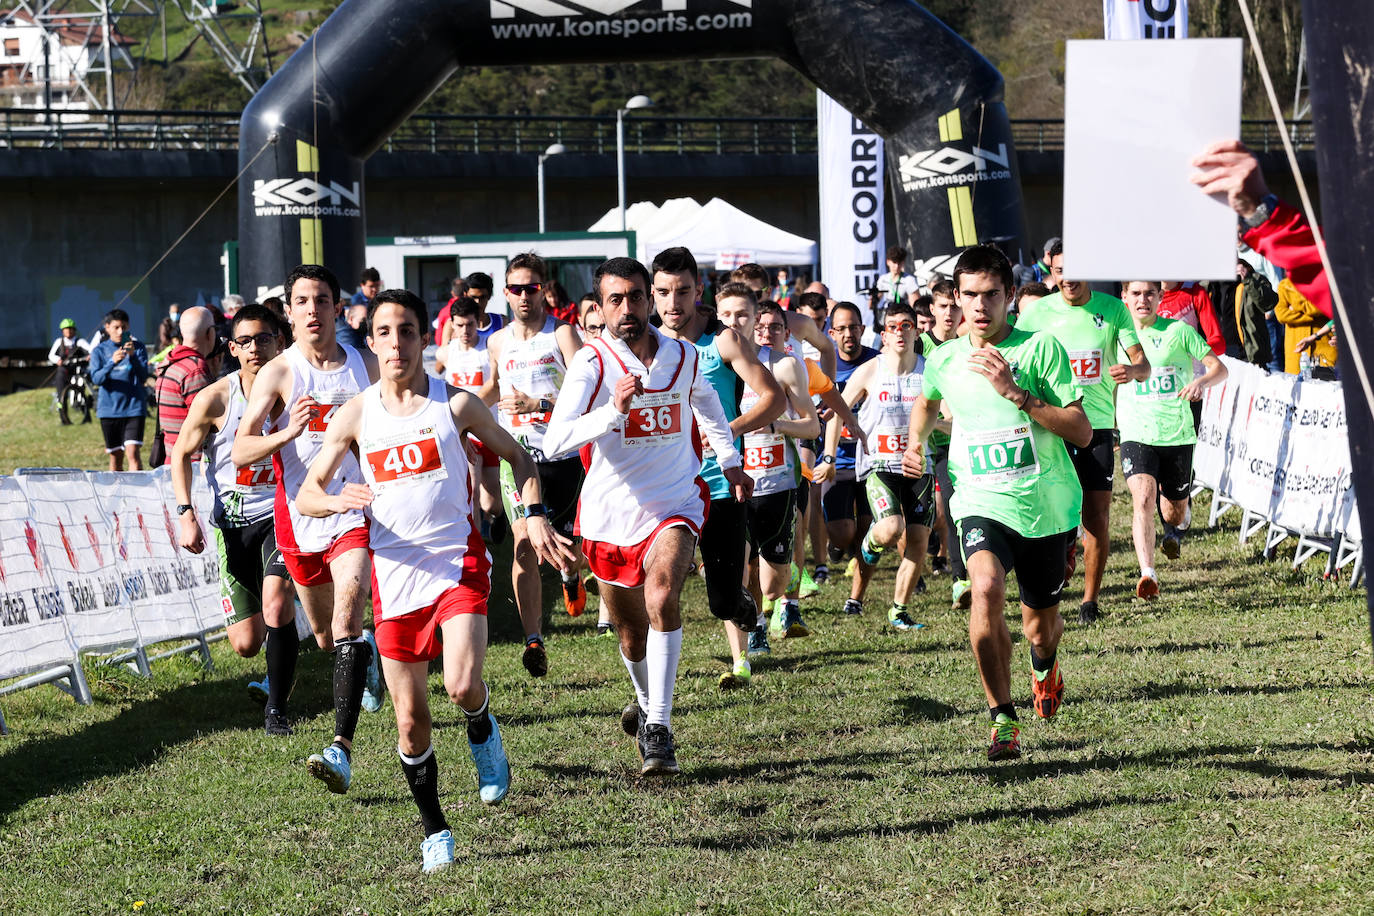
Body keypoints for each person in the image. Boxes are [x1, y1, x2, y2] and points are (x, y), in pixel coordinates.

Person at [297, 288, 575, 872]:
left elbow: (518, 457)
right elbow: (307, 492)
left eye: (407, 332)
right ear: (370, 342)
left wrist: (535, 513)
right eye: (384, 333)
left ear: (426, 340)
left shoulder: (456, 405)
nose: (395, 344)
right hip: (395, 577)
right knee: (408, 718)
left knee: (461, 684)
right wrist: (336, 498)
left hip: (456, 562)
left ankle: (481, 725)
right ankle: (435, 831)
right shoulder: (356, 414)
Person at [544, 257, 750, 775]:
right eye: (616, 300)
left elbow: (707, 407)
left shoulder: (682, 356)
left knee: (662, 595)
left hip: (675, 501)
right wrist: (612, 411)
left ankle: (658, 727)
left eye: (636, 296)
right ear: (600, 306)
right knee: (631, 635)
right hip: (610, 516)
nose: (628, 308)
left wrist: (729, 462)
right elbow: (554, 441)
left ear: (650, 298)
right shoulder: (592, 364)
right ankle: (644, 699)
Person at [901, 244, 1091, 761]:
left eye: (990, 295)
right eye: (970, 296)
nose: (980, 307)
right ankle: (1002, 717)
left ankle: (1043, 663)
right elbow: (926, 403)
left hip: (1047, 507)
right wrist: (916, 445)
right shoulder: (942, 358)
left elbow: (1082, 430)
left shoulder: (1040, 348)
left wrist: (1018, 395)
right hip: (980, 500)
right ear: (956, 299)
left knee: (1040, 627)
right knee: (983, 587)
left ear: (1010, 295)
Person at [232, 264, 384, 794]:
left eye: (323, 299)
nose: (313, 310)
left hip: (354, 508)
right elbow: (239, 450)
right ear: (289, 312)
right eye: (303, 301)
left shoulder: (364, 365)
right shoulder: (279, 372)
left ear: (337, 308)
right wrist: (287, 433)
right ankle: (362, 657)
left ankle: (340, 748)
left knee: (346, 618)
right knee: (324, 636)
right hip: (299, 515)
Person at [650, 250, 785, 663]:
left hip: (720, 483)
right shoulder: (647, 344)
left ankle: (740, 604)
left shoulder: (722, 339)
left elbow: (773, 399)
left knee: (723, 602)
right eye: (663, 293)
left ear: (698, 291)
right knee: (658, 588)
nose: (673, 303)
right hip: (665, 488)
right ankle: (653, 691)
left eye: (683, 292)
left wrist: (727, 432)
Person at [171, 305, 299, 734]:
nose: (255, 349)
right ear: (232, 348)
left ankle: (277, 710)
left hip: (281, 516)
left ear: (279, 343)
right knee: (246, 643)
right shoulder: (216, 398)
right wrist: (186, 513)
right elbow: (180, 456)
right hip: (232, 523)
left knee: (278, 605)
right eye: (245, 341)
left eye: (264, 338)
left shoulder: (296, 393)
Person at [1016, 240, 1150, 624]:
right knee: (1051, 510)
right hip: (1050, 426)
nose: (1068, 280)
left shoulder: (1112, 310)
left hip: (1097, 428)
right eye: (1060, 272)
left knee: (1098, 516)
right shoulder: (1037, 313)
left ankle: (1090, 600)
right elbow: (1013, 355)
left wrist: (1132, 371)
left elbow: (1142, 363)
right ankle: (1057, 563)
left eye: (1074, 271)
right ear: (1050, 270)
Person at [480, 253, 585, 677]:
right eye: (516, 289)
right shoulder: (497, 341)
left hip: (564, 455)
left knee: (567, 549)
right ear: (505, 294)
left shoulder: (562, 334)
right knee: (523, 541)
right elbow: (492, 386)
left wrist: (538, 403)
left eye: (532, 287)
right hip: (517, 458)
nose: (524, 296)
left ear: (544, 289)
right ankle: (533, 638)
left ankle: (571, 576)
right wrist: (455, 416)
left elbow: (587, 396)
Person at [717, 296, 819, 686]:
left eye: (767, 324)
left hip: (777, 483)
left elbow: (810, 426)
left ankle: (775, 601)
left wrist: (776, 427)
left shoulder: (786, 365)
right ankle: (741, 657)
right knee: (736, 573)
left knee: (771, 582)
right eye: (751, 323)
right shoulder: (719, 368)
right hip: (731, 486)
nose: (760, 330)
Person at [1116, 282, 1228, 599]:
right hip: (1136, 431)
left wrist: (1201, 382)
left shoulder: (1178, 331)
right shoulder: (1114, 333)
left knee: (1173, 513)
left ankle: (1181, 512)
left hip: (1176, 431)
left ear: (1160, 297)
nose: (1142, 300)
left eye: (1149, 293)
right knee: (1143, 499)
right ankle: (1147, 574)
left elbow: (1219, 368)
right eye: (1135, 293)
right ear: (1123, 296)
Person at [831, 303, 935, 629]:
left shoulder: (929, 370)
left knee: (918, 540)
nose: (900, 332)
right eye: (893, 326)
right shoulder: (871, 370)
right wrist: (829, 457)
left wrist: (937, 426)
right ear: (883, 334)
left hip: (919, 465)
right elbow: (838, 410)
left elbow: (949, 415)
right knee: (890, 529)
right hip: (880, 464)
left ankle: (899, 611)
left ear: (916, 331)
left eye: (907, 325)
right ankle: (869, 543)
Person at [819, 302, 877, 601]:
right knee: (842, 532)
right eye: (841, 328)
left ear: (862, 329)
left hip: (869, 457)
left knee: (867, 531)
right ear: (831, 333)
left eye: (853, 327)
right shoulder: (822, 366)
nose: (848, 334)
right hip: (837, 460)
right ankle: (837, 546)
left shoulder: (876, 362)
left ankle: (857, 589)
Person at [920, 281, 970, 608]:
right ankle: (919, 566)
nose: (949, 313)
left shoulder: (968, 343)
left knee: (954, 509)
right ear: (932, 310)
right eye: (942, 307)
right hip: (924, 442)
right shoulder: (919, 345)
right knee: (930, 515)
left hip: (959, 441)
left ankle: (960, 579)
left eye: (954, 307)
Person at [729, 263, 838, 378]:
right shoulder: (730, 328)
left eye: (755, 295)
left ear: (768, 292)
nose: (748, 301)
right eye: (742, 295)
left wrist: (828, 388)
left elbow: (828, 349)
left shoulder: (798, 322)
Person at [89, 308, 150, 471]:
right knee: (115, 457)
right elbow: (96, 379)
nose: (120, 331)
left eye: (123, 327)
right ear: (107, 327)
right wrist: (111, 362)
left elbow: (144, 376)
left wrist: (133, 357)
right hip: (109, 410)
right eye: (116, 327)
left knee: (133, 453)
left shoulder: (138, 348)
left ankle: (136, 493)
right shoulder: (99, 351)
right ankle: (117, 495)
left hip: (134, 408)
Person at [154, 306, 217, 464]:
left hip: (173, 458)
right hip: (193, 465)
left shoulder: (169, 362)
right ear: (210, 333)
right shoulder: (195, 370)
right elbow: (207, 421)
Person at [1273, 277, 1337, 377]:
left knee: (1327, 381)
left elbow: (1323, 307)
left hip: (1323, 345)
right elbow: (1281, 315)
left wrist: (1295, 308)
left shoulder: (1322, 282)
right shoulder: (1284, 285)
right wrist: (1312, 315)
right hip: (1296, 347)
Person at [1234, 260, 1277, 368]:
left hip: (1251, 352)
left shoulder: (1253, 278)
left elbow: (1268, 303)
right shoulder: (1212, 282)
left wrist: (1248, 280)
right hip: (1223, 353)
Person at [49, 318, 89, 425]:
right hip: (63, 371)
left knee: (82, 388)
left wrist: (89, 356)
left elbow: (91, 350)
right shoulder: (59, 342)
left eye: (70, 329)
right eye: (66, 329)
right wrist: (58, 360)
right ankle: (63, 418)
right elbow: (51, 355)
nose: (68, 332)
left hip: (77, 370)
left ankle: (86, 415)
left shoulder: (80, 341)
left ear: (74, 330)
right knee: (61, 394)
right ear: (62, 331)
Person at [875, 245, 918, 317]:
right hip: (887, 316)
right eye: (894, 262)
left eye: (900, 263)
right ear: (888, 262)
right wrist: (873, 298)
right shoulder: (883, 279)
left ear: (903, 262)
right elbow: (872, 304)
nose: (897, 266)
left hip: (904, 315)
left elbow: (915, 307)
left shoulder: (909, 280)